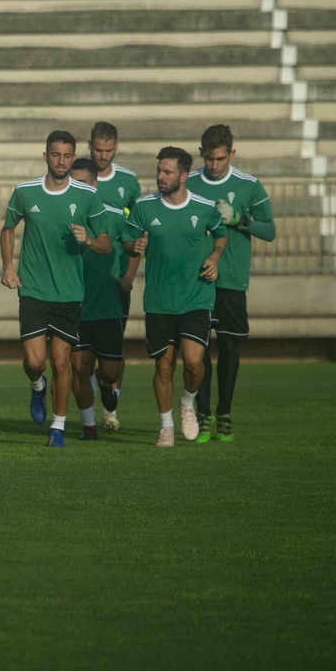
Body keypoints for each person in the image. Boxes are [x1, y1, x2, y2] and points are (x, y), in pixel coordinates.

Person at [0, 130, 112, 448]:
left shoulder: (87, 196)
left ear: (73, 157)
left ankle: (58, 428)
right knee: (36, 362)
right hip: (33, 289)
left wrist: (88, 239)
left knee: (62, 362)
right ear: (45, 155)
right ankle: (37, 387)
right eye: (55, 155)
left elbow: (105, 244)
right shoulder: (25, 192)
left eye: (66, 156)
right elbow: (7, 229)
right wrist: (8, 267)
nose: (61, 161)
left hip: (69, 293)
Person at [122, 147, 227, 447]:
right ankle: (166, 426)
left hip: (196, 297)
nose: (160, 176)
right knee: (164, 366)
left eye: (167, 172)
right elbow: (128, 242)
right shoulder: (144, 208)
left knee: (194, 363)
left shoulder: (205, 208)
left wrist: (215, 258)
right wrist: (134, 248)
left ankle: (187, 403)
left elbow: (221, 235)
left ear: (183, 176)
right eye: (159, 171)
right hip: (159, 300)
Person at [186, 125, 273, 443]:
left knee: (229, 346)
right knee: (198, 350)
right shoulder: (190, 183)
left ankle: (225, 413)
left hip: (232, 279)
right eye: (208, 158)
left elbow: (269, 230)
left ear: (231, 154)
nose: (213, 165)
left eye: (220, 159)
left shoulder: (249, 185)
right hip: (196, 280)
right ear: (201, 154)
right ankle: (203, 415)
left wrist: (240, 219)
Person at [67, 157, 134, 439]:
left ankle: (107, 387)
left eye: (81, 183)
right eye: (72, 183)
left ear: (95, 185)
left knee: (107, 371)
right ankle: (88, 426)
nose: (75, 188)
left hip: (108, 306)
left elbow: (132, 245)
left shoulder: (115, 217)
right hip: (74, 305)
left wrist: (129, 273)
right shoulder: (64, 217)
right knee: (80, 368)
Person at [88, 121, 142, 418]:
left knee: (114, 344)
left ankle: (111, 406)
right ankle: (87, 411)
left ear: (116, 147)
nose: (103, 155)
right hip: (83, 279)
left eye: (109, 150)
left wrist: (131, 273)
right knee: (82, 349)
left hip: (115, 277)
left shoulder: (129, 181)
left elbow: (138, 233)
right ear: (89, 146)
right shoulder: (80, 176)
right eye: (98, 149)